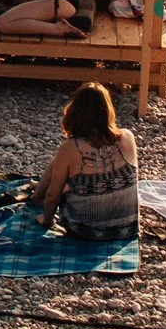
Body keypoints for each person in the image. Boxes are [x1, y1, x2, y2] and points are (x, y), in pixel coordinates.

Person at [37, 83, 139, 240]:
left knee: (62, 169)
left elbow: (52, 196)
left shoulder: (71, 147)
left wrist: (47, 221)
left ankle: (35, 197)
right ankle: (36, 195)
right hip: (127, 229)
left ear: (75, 112)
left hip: (85, 231)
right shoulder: (127, 137)